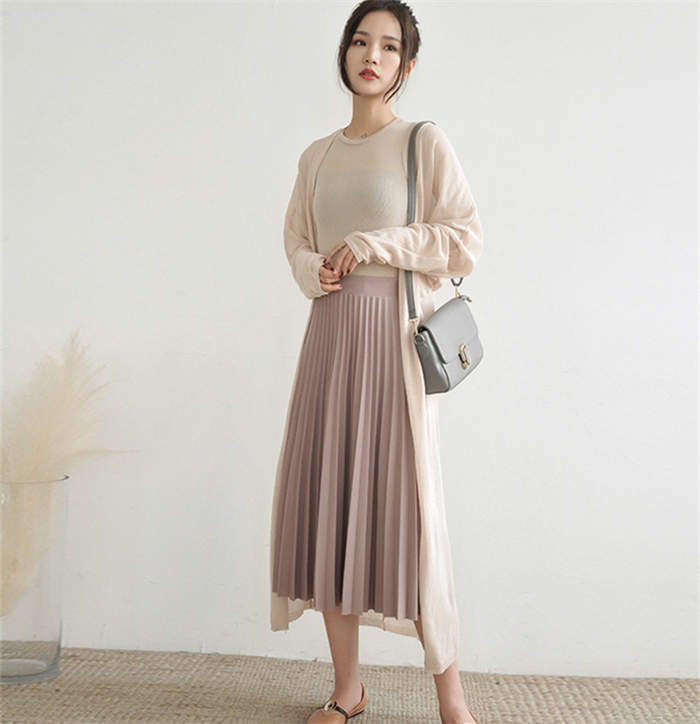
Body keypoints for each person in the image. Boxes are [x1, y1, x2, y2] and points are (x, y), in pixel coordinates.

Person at [269, 2, 484, 723]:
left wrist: (372, 243)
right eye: (361, 41)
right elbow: (297, 242)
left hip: (392, 345)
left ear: (406, 65)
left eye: (389, 47)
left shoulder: (423, 142)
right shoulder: (317, 155)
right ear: (345, 51)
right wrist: (314, 269)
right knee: (330, 506)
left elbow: (463, 240)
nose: (372, 55)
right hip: (330, 341)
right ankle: (348, 690)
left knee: (412, 517)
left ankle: (452, 700)